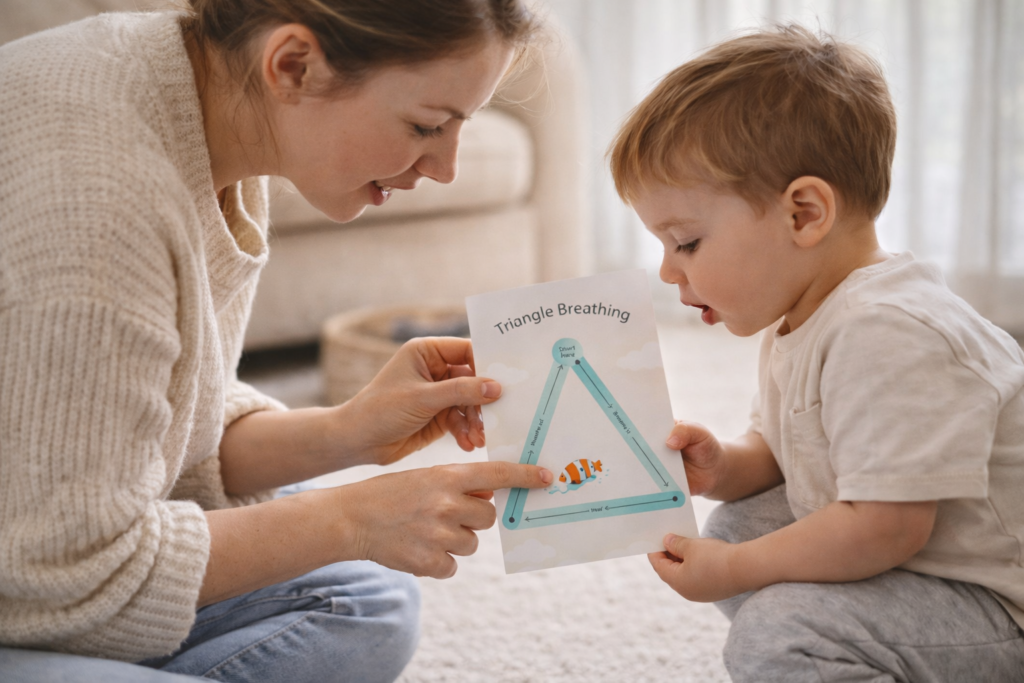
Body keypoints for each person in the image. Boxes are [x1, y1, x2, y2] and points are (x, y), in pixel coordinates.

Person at [0, 1, 554, 681]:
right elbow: (60, 576)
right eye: (426, 125)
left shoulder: (210, 112)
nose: (444, 167)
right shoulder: (94, 197)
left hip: (38, 543)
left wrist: (349, 430)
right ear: (293, 64)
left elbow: (160, 438)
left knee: (367, 600)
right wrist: (351, 517)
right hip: (34, 580)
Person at [608, 24, 1024, 682]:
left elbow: (887, 526)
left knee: (778, 631)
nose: (668, 271)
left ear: (803, 213)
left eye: (685, 242)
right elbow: (785, 450)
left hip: (997, 604)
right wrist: (722, 465)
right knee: (735, 527)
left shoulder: (888, 331)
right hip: (919, 562)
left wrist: (739, 574)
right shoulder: (803, 309)